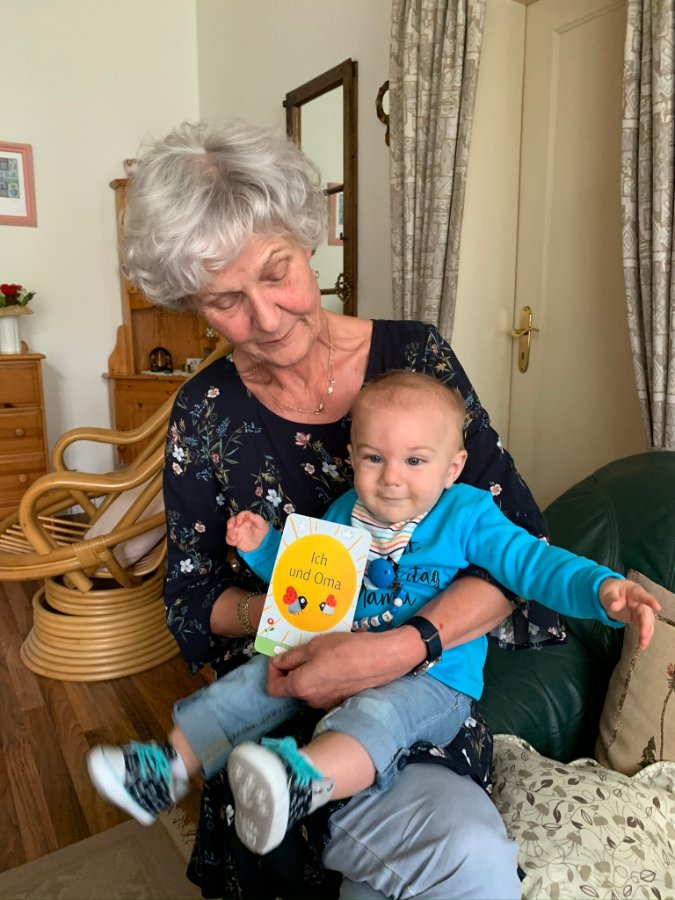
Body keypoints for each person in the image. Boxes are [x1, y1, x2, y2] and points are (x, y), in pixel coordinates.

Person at [109, 118, 578, 899]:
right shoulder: (204, 412)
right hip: (273, 702)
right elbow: (189, 599)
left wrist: (395, 648)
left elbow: (515, 542)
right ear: (192, 304)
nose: (266, 318)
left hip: (415, 693)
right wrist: (293, 613)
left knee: (466, 859)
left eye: (277, 273)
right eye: (225, 300)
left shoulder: (416, 358)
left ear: (309, 238)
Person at [87, 371, 658, 858]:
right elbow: (305, 575)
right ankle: (166, 768)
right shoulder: (344, 511)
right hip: (330, 651)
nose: (392, 477)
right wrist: (262, 548)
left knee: (377, 717)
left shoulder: (467, 514)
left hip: (432, 682)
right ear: (352, 456)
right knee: (253, 681)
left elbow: (533, 563)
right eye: (374, 458)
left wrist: (601, 588)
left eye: (415, 460)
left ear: (453, 466)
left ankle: (301, 782)